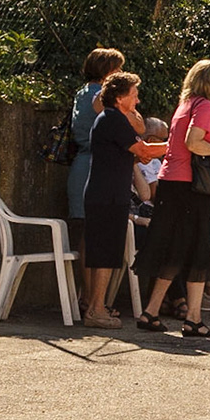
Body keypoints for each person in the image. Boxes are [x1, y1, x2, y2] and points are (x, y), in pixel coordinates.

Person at [136, 60, 210, 338]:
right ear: (208, 82)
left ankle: (151, 311)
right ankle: (193, 318)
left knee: (175, 250)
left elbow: (178, 144)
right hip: (190, 186)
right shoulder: (204, 106)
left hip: (170, 184)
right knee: (197, 251)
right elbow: (193, 143)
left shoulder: (184, 105)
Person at [80, 71, 166, 328]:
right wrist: (179, 145)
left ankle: (97, 307)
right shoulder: (113, 119)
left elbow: (139, 154)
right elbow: (144, 150)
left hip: (107, 194)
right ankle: (95, 310)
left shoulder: (112, 119)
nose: (137, 100)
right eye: (134, 95)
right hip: (106, 195)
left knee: (106, 253)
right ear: (119, 98)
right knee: (104, 254)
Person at [67, 48, 127, 266]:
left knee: (87, 235)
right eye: (118, 69)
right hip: (95, 168)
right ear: (108, 71)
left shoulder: (82, 93)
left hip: (81, 165)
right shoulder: (102, 97)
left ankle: (88, 297)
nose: (121, 72)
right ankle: (93, 298)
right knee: (94, 237)